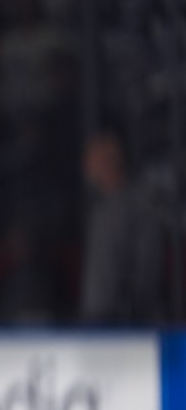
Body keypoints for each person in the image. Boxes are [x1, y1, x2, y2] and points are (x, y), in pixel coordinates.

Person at [79, 130, 165, 324]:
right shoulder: (101, 209)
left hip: (123, 324)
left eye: (91, 157)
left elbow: (147, 264)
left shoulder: (137, 206)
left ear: (109, 161)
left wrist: (133, 312)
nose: (86, 165)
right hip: (97, 319)